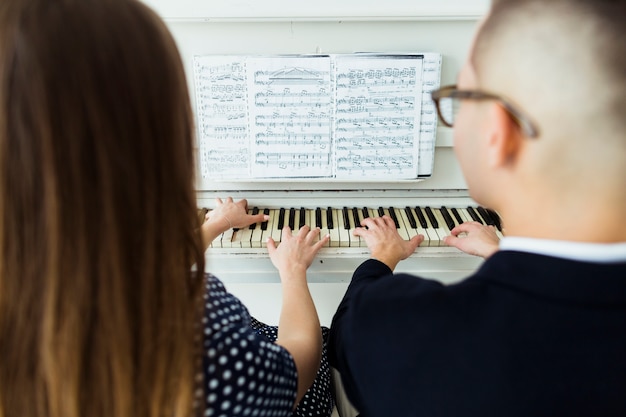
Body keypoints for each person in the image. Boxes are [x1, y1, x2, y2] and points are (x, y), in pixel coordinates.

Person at [0, 1, 332, 417]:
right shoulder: (201, 340)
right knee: (322, 346)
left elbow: (140, 272)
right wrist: (293, 272)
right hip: (269, 384)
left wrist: (214, 225)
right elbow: (297, 364)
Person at [329, 0, 626, 416]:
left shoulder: (402, 329)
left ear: (498, 132)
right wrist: (502, 252)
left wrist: (381, 259)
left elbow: (344, 336)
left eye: (461, 97)